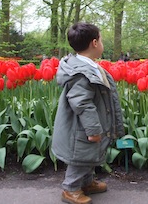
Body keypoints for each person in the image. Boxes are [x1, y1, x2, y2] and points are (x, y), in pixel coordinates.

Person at [51, 22, 125, 204]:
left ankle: (87, 182)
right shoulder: (80, 73)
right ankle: (70, 188)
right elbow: (82, 103)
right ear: (94, 43)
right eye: (101, 39)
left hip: (89, 125)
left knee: (89, 155)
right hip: (82, 128)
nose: (102, 43)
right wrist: (93, 129)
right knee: (80, 158)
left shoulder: (89, 66)